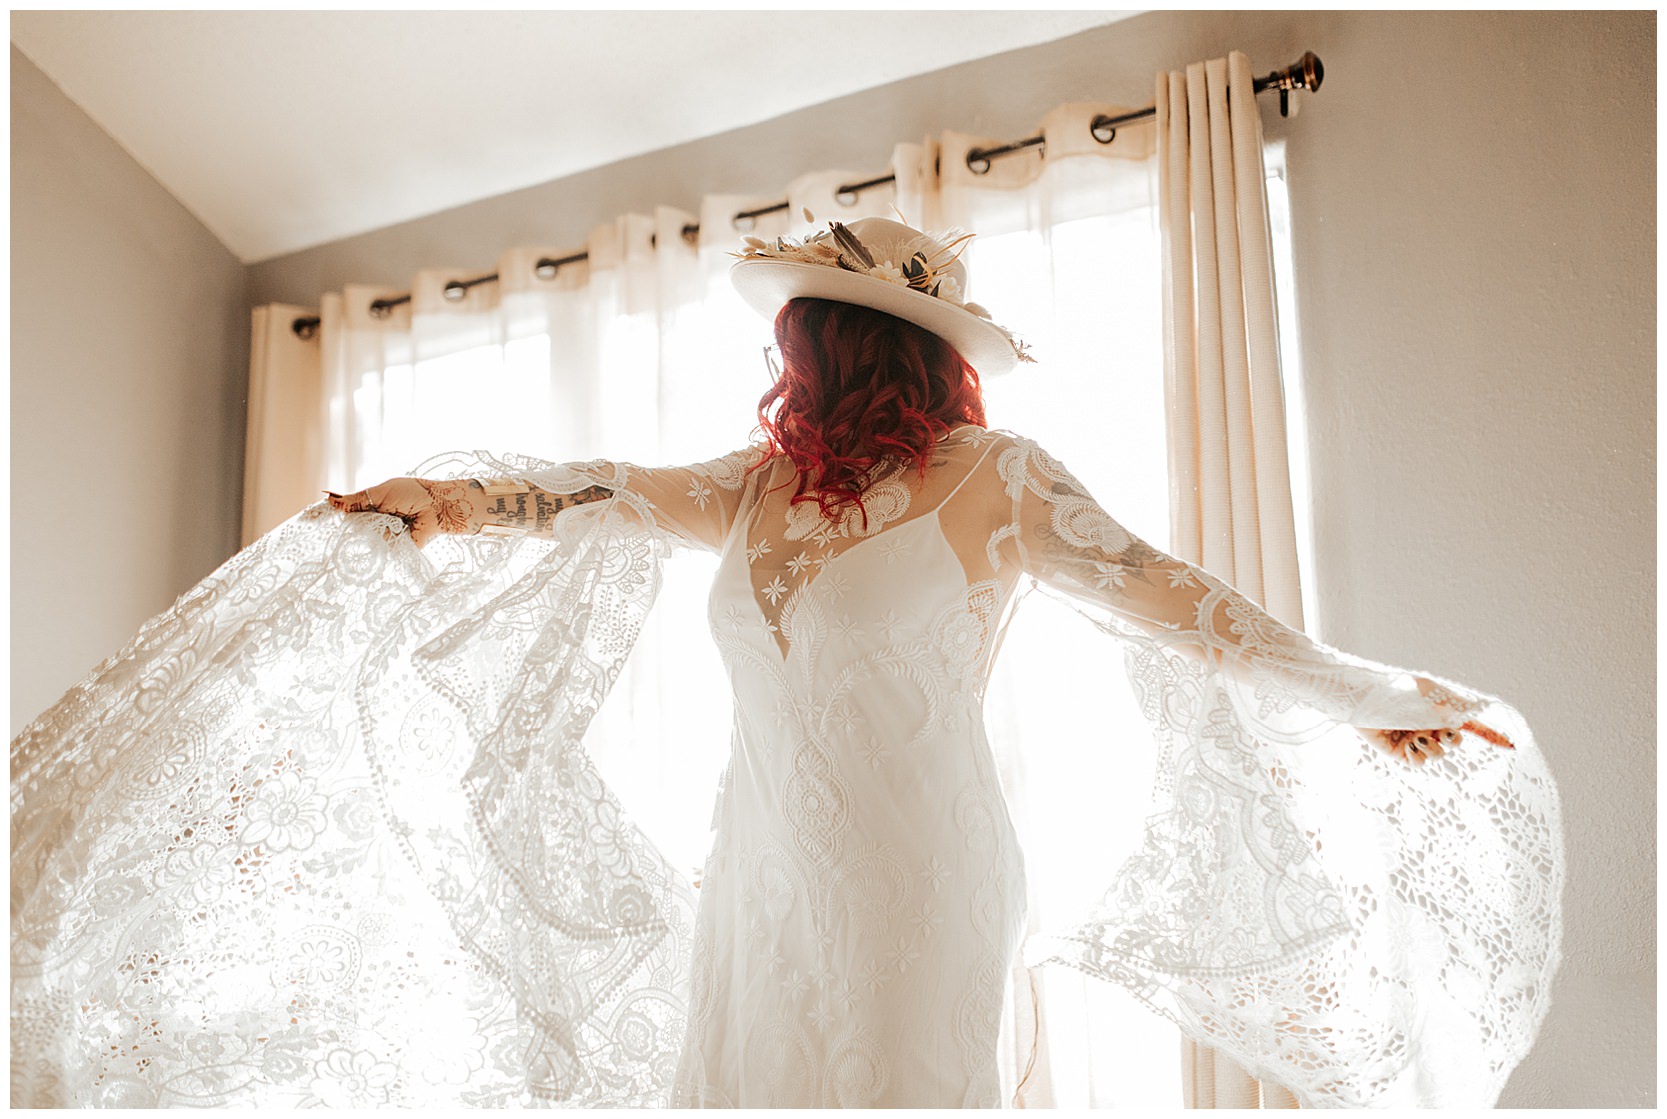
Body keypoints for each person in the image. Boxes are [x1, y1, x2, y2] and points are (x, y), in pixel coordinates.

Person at [12, 219, 1561, 1108]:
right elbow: (591, 485)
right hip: (756, 877)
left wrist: (1377, 700)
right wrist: (445, 500)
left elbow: (1185, 602)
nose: (790, 363)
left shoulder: (997, 477)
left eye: (805, 339)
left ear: (832, 344)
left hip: (921, 879)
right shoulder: (755, 492)